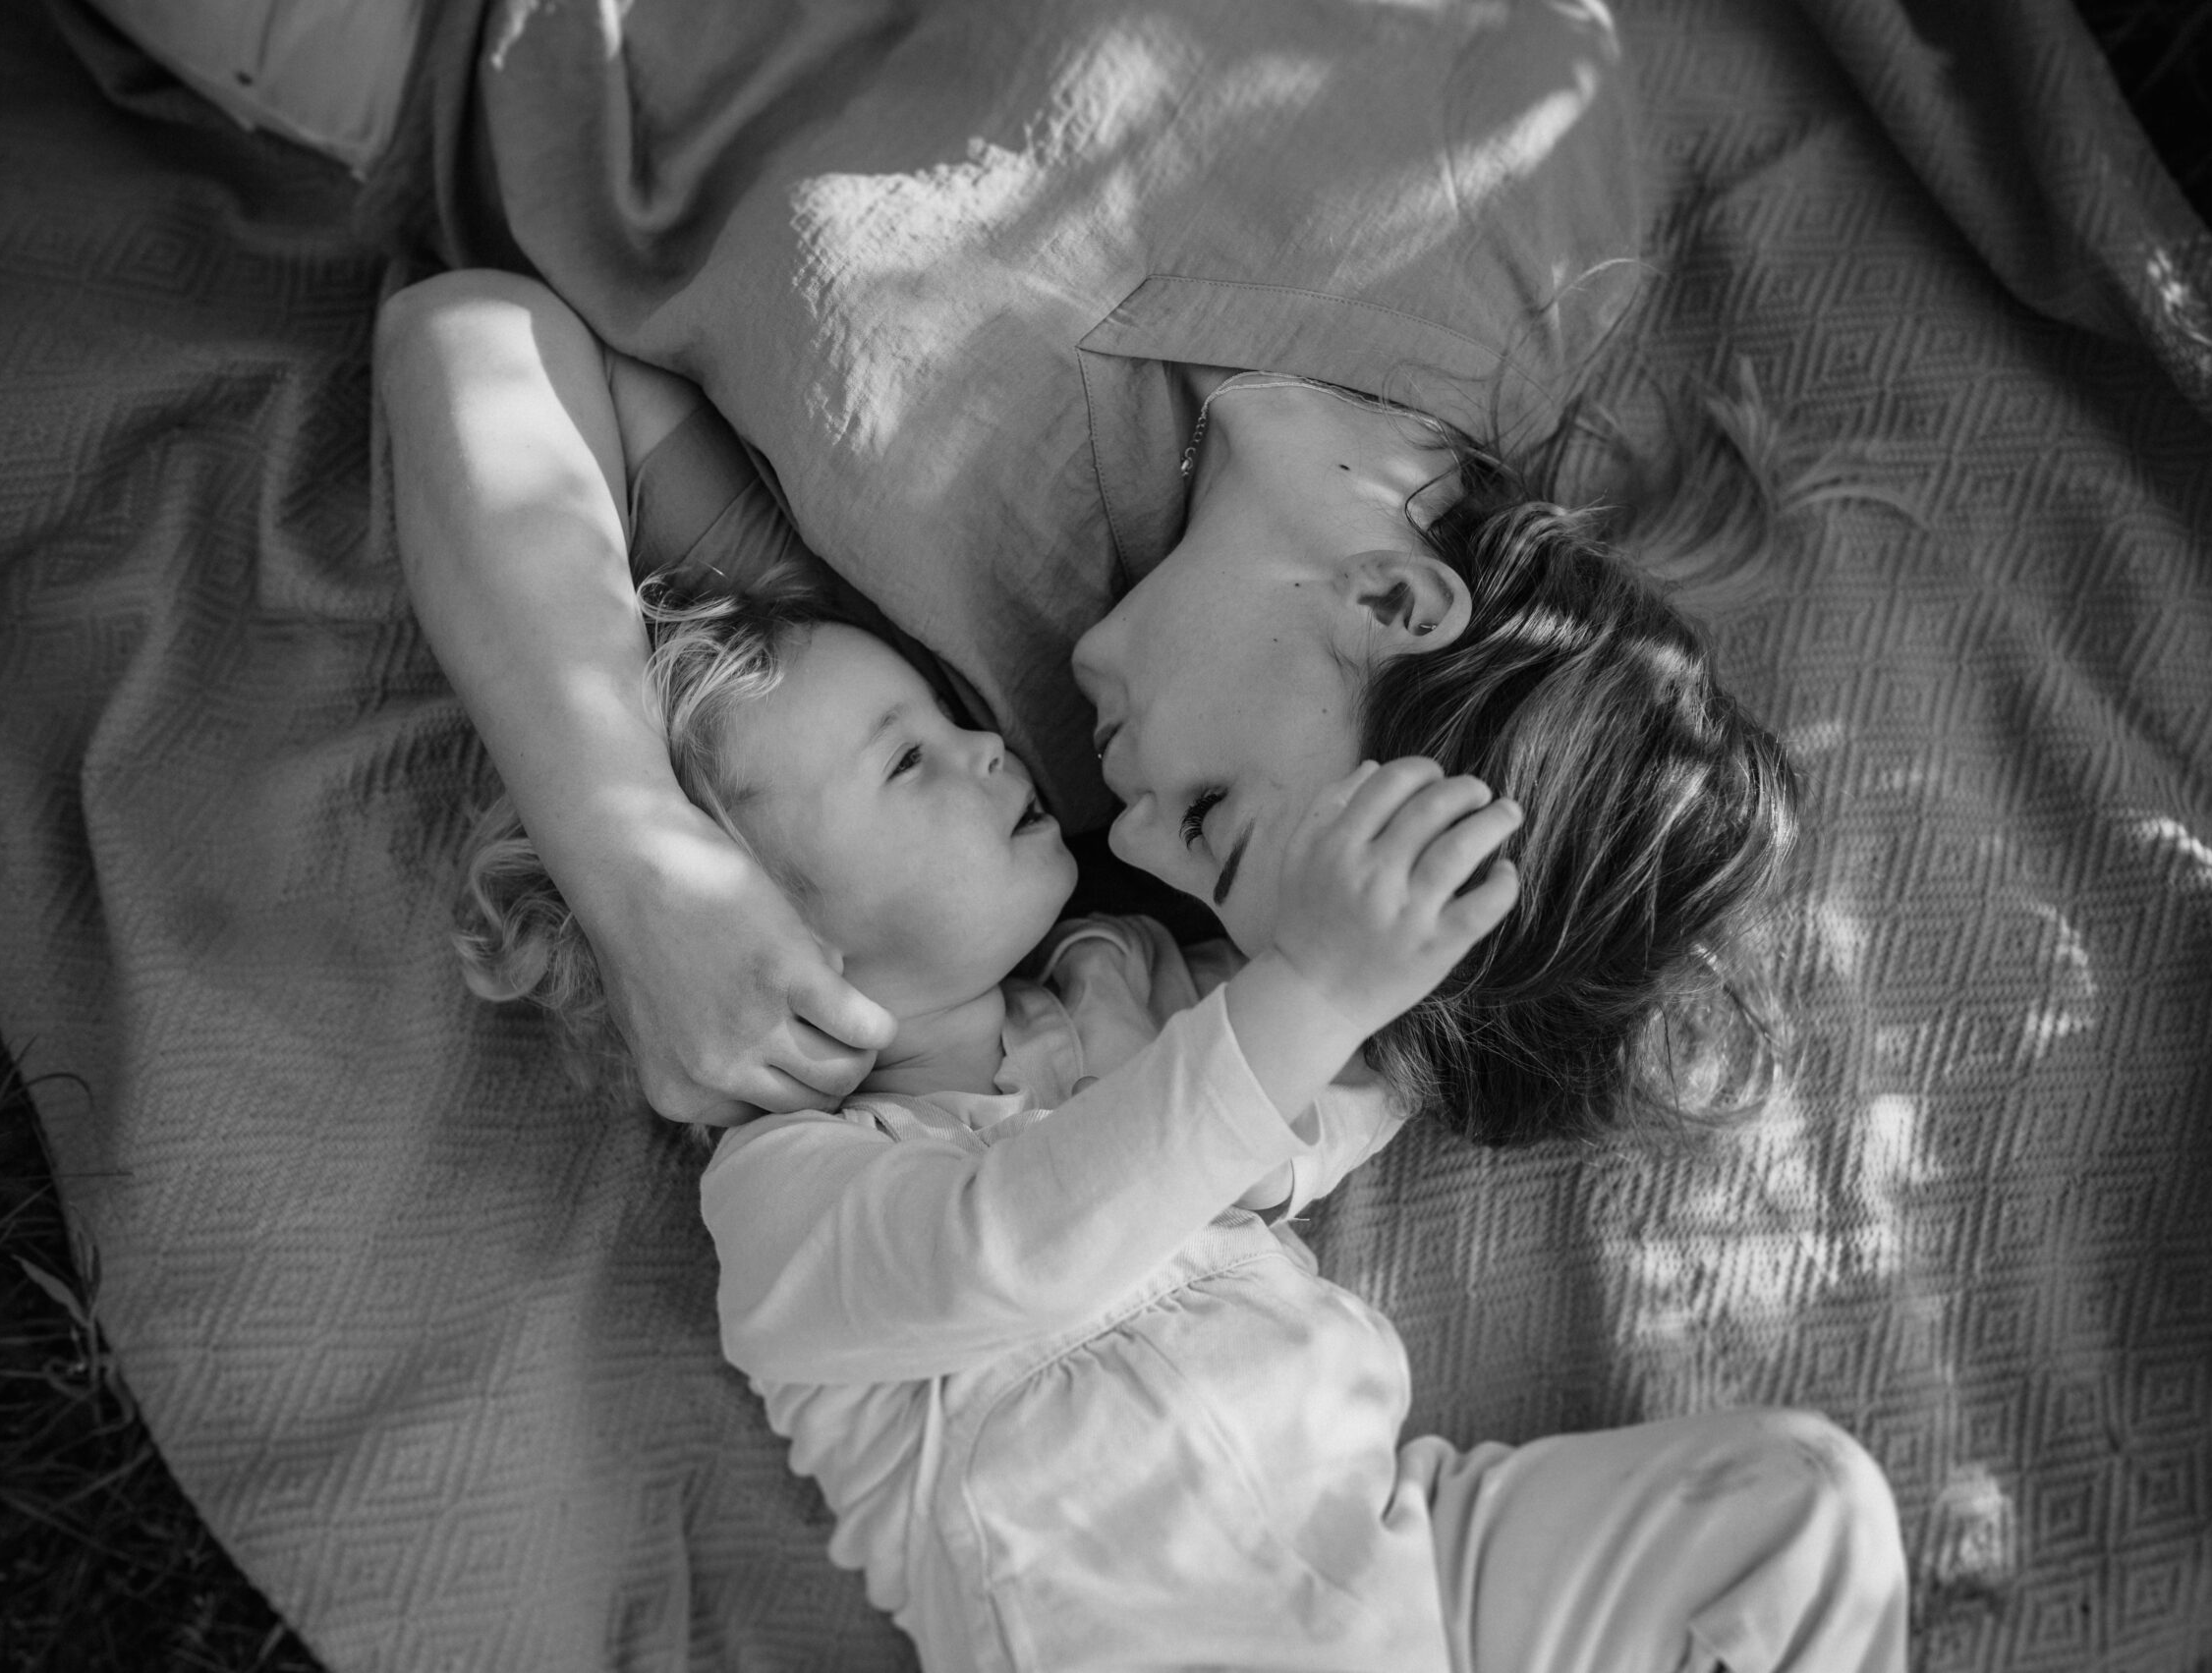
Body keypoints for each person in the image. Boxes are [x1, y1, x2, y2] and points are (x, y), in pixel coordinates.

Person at [377, 0, 1805, 1149]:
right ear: (1393, 604)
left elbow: (474, 346)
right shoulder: (1521, 175)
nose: (1130, 848)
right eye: (1214, 819)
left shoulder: (955, 698)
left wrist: (638, 865)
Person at [451, 550, 1908, 1670]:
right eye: (906, 760)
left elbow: (1306, 1107)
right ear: (770, 938)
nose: (986, 748)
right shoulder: (787, 1199)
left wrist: (1443, 944)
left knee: (1802, 1505)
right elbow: (1016, 1244)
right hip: (1151, 1643)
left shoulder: (1120, 982)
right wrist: (1315, 990)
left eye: (951, 720)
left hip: (1407, 1566)